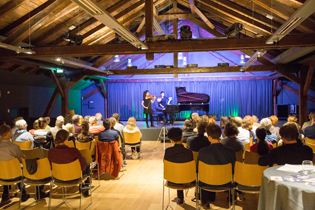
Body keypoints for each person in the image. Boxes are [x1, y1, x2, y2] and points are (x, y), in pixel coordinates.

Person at [197, 124, 236, 208]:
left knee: (202, 175)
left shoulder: (202, 152)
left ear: (209, 137)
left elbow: (198, 169)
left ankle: (205, 201)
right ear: (220, 134)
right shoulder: (230, 151)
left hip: (207, 183)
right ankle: (230, 199)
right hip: (227, 183)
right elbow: (233, 169)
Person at [48, 130, 91, 197]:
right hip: (75, 178)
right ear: (66, 139)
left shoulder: (50, 152)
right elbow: (83, 167)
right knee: (87, 164)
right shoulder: (74, 151)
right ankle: (84, 188)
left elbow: (50, 167)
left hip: (57, 178)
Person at [0, 125, 30, 206]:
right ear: (9, 133)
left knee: (6, 170)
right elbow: (21, 159)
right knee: (17, 169)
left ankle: (5, 195)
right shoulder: (14, 147)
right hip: (15, 174)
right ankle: (23, 193)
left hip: (1, 176)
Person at [164, 127, 194, 205]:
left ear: (171, 139)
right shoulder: (188, 152)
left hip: (171, 180)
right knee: (182, 171)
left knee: (178, 170)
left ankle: (180, 198)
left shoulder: (168, 151)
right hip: (187, 180)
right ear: (182, 136)